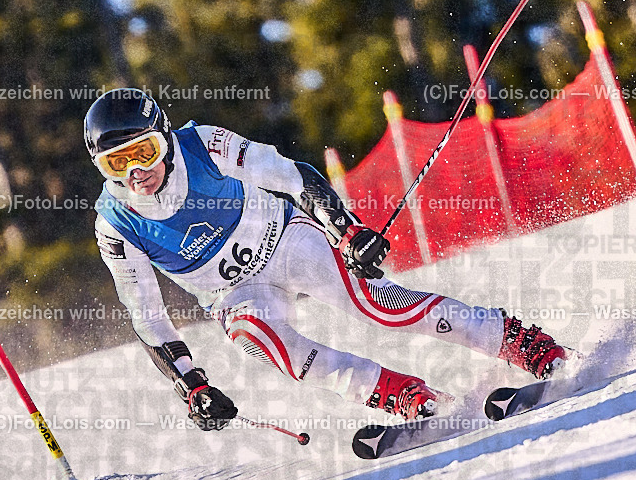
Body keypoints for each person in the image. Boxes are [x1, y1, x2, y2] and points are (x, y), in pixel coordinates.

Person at [87, 88, 568, 431]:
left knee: (377, 305)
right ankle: (405, 395)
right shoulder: (115, 223)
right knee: (270, 345)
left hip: (283, 240)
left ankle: (518, 342)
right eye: (116, 164)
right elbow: (147, 317)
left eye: (144, 152)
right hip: (234, 293)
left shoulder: (203, 145)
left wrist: (347, 231)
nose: (136, 172)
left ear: (164, 138)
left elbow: (290, 175)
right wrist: (189, 385)